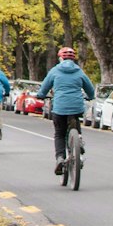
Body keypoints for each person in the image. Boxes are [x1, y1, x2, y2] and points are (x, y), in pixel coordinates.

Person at [38, 47, 95, 175]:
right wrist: (90, 96)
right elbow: (90, 89)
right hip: (77, 106)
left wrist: (41, 95)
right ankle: (78, 140)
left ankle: (60, 158)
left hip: (59, 108)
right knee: (75, 121)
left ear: (60, 58)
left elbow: (44, 87)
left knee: (59, 134)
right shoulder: (79, 71)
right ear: (73, 59)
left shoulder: (54, 71)